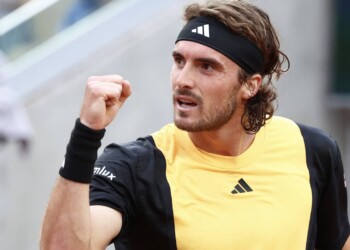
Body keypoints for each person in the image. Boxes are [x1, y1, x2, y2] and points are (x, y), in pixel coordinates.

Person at [40, 0, 350, 249]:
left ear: (250, 86)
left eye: (206, 67)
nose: (183, 80)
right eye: (179, 61)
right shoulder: (135, 166)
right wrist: (86, 135)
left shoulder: (313, 149)